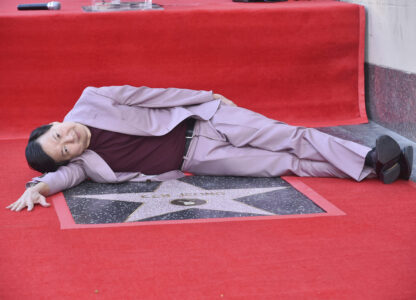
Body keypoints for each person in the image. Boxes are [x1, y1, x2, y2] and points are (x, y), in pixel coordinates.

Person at [6, 85, 413, 212]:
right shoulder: (86, 163)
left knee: (292, 136)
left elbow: (155, 94)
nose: (67, 140)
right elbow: (63, 178)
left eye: (58, 134)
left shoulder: (93, 99)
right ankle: (378, 169)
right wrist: (37, 187)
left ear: (57, 123)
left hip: (205, 120)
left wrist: (208, 96)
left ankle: (369, 157)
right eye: (63, 149)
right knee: (285, 164)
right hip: (199, 157)